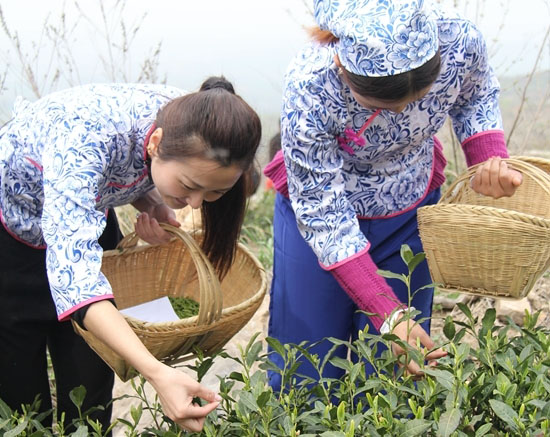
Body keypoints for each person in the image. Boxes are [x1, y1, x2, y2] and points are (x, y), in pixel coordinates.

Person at [264, 0, 523, 389]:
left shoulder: (459, 39)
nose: (402, 113)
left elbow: (475, 93)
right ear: (341, 66)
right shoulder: (310, 86)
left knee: (397, 365)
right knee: (306, 358)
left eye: (417, 99)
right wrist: (385, 311)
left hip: (408, 204)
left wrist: (488, 158)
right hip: (320, 218)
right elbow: (323, 213)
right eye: (382, 105)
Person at [0, 76, 262, 433]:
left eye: (214, 192)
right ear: (156, 143)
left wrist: (151, 202)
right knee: (24, 397)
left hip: (86, 223)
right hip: (14, 235)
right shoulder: (82, 141)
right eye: (189, 186)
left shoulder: (196, 123)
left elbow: (132, 167)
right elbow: (77, 283)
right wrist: (157, 374)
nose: (196, 203)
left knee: (90, 379)